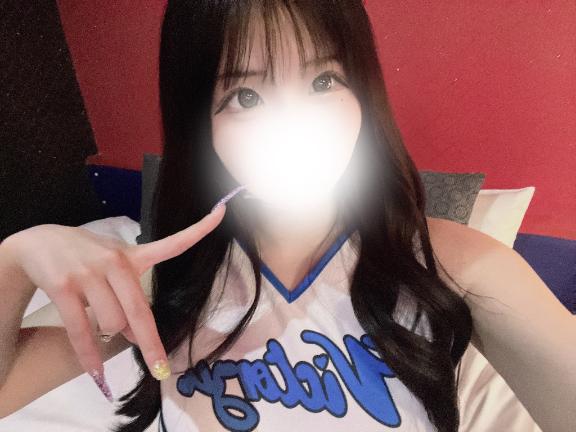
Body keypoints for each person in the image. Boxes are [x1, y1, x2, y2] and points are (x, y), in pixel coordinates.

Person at [0, 1, 574, 431]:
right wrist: (17, 260)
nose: (294, 127)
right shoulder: (162, 279)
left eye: (324, 80)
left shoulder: (453, 265)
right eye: (245, 97)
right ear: (203, 127)